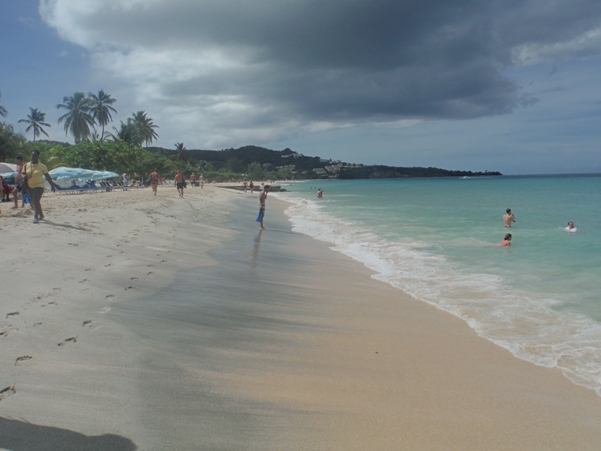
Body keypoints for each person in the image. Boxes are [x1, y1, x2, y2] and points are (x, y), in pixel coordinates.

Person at [22, 149, 57, 223]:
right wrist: (24, 176)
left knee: (35, 201)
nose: (33, 157)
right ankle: (41, 215)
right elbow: (23, 174)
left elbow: (47, 176)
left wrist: (52, 186)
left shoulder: (42, 166)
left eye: (35, 156)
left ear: (38, 156)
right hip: (29, 186)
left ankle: (35, 217)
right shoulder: (26, 165)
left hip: (39, 186)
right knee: (35, 202)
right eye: (32, 155)